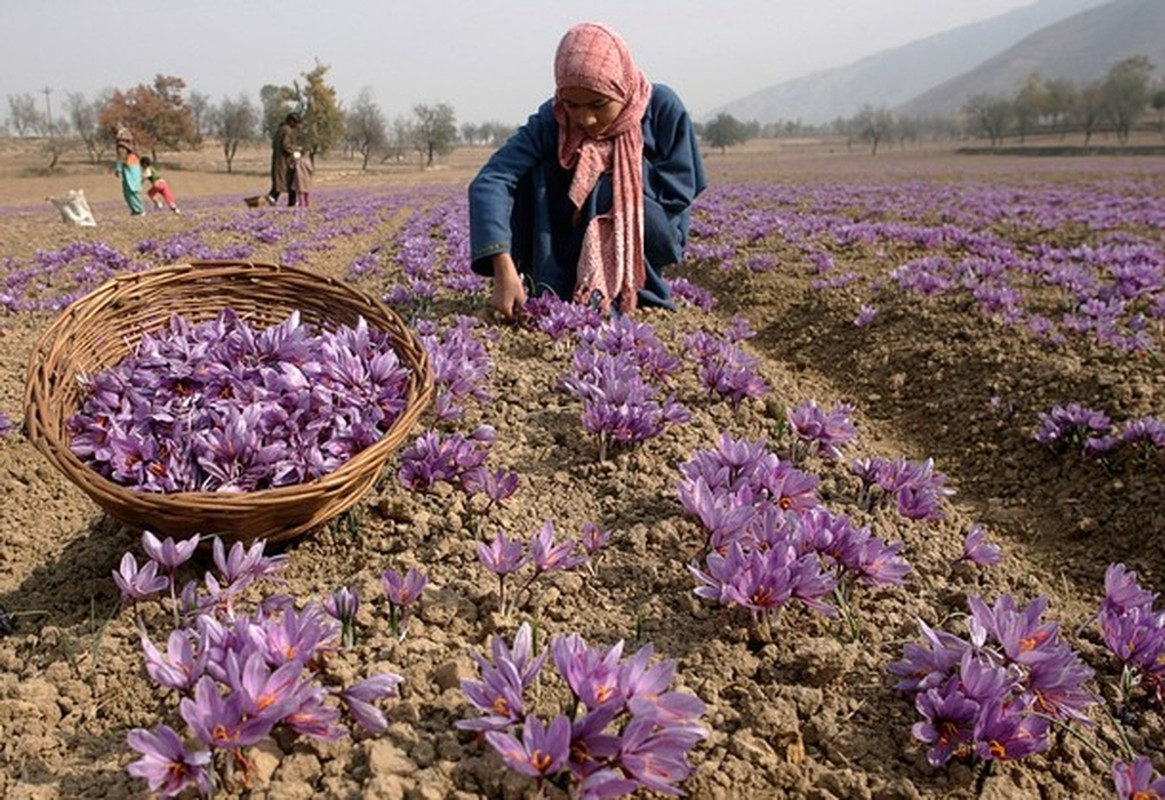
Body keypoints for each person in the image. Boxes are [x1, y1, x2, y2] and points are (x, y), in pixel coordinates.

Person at [468, 21, 706, 319]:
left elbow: (678, 193)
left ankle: (626, 290)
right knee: (534, 169)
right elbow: (492, 180)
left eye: (598, 104)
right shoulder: (554, 117)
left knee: (603, 180)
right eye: (572, 104)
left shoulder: (660, 108)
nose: (586, 119)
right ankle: (548, 280)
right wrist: (503, 265)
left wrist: (610, 166)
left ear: (621, 87)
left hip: (651, 231)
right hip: (570, 234)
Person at [266, 111, 302, 206]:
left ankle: (287, 201)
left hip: (279, 160)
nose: (297, 126)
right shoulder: (287, 130)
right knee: (289, 181)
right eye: (296, 123)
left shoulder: (280, 129)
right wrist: (295, 150)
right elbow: (286, 146)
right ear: (291, 121)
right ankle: (288, 201)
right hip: (285, 161)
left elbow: (274, 145)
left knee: (282, 182)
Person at [113, 129, 145, 216]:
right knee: (131, 190)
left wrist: (118, 169)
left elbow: (121, 157)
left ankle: (139, 210)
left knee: (130, 190)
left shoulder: (122, 145)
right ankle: (136, 210)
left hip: (129, 167)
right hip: (134, 165)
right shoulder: (131, 143)